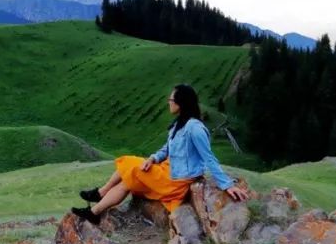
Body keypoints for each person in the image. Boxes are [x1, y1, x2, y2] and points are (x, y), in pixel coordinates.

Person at [71, 83, 251, 225]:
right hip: (167, 169)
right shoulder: (179, 124)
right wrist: (152, 158)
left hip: (176, 179)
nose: (168, 102)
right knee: (129, 164)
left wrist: (227, 185)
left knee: (130, 173)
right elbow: (167, 149)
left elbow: (209, 158)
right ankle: (97, 204)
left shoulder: (195, 128)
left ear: (180, 103)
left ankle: (97, 202)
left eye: (171, 99)